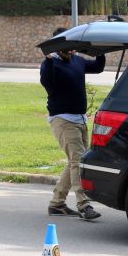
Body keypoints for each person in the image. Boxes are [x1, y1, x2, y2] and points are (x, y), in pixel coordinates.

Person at [40, 27, 105, 220]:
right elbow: (48, 83)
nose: (71, 51)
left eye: (72, 47)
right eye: (67, 48)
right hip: (63, 120)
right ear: (57, 47)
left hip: (80, 119)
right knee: (78, 161)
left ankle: (57, 203)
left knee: (75, 161)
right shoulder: (50, 64)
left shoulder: (77, 60)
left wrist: (98, 51)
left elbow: (97, 67)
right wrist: (50, 61)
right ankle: (84, 205)